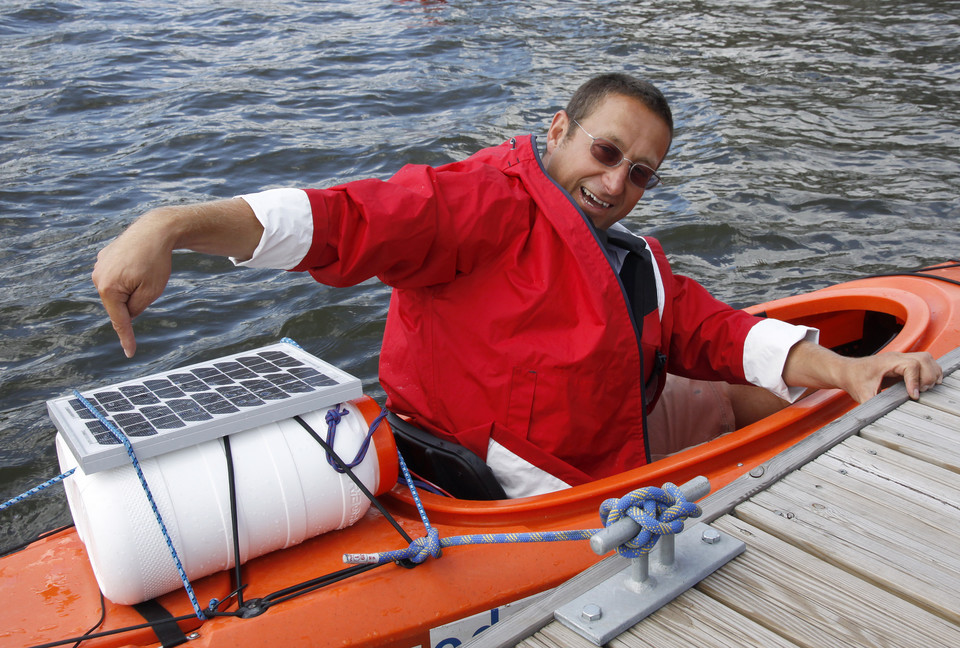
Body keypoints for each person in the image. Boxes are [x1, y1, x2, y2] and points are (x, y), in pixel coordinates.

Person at [92, 73, 942, 498]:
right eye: (605, 155)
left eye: (641, 174)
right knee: (725, 400)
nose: (615, 186)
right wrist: (171, 225)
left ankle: (832, 456)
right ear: (559, 130)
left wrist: (848, 370)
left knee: (736, 385)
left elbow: (719, 331)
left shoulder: (634, 259)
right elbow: (345, 220)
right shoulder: (477, 203)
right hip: (524, 486)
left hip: (618, 430)